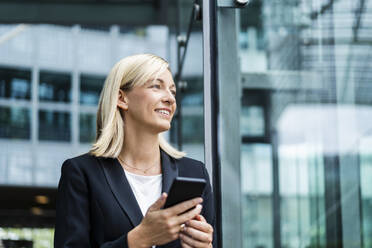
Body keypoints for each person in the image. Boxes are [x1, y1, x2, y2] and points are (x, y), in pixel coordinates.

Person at [54, 54, 216, 248]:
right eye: (156, 86)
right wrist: (138, 239)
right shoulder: (82, 173)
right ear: (122, 98)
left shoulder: (194, 173)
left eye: (172, 91)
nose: (170, 99)